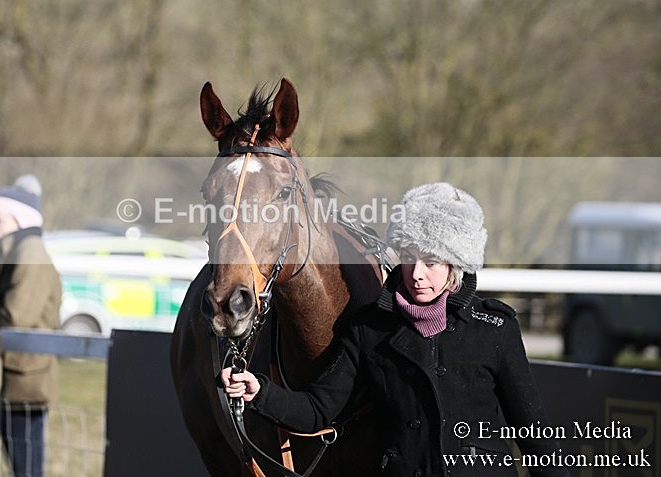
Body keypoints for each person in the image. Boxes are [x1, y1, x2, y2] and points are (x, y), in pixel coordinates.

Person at [222, 182, 568, 476]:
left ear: (455, 266)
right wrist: (259, 392)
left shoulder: (495, 329)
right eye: (409, 258)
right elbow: (318, 409)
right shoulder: (369, 330)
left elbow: (533, 432)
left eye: (431, 261)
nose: (417, 273)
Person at [0, 174, 62, 477]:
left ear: (20, 220)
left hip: (24, 386)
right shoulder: (6, 255)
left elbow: (15, 315)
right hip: (3, 378)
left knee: (26, 470)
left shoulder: (30, 255)